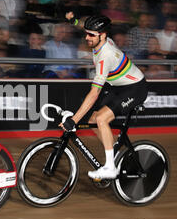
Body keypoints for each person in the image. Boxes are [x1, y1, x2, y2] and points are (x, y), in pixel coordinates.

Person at [60, 12, 148, 180]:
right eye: (86, 33)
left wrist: (74, 120)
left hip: (135, 89)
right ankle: (112, 150)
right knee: (93, 119)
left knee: (101, 119)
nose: (87, 38)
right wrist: (74, 20)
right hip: (119, 87)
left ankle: (110, 168)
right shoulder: (100, 39)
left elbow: (94, 93)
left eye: (91, 35)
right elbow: (86, 28)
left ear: (103, 35)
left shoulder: (105, 56)